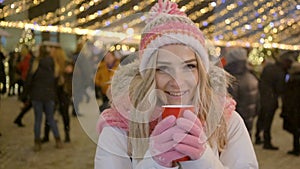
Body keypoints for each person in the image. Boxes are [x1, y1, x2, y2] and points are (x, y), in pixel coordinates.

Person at [94, 0, 258, 168]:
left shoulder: (225, 120)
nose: (178, 82)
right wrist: (154, 162)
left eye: (189, 66)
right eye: (163, 68)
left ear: (201, 71)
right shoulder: (121, 125)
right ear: (148, 74)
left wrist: (204, 161)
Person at [27, 43, 62, 151]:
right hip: (49, 95)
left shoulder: (35, 63)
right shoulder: (53, 64)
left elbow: (29, 81)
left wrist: (25, 96)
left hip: (37, 95)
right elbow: (56, 83)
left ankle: (37, 143)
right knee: (50, 118)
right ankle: (58, 140)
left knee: (38, 120)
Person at [255, 51, 294, 150]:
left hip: (263, 97)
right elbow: (280, 89)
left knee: (262, 117)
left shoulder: (269, 68)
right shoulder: (280, 73)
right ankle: (267, 141)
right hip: (271, 99)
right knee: (268, 120)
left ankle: (257, 136)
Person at [224, 47, 259, 137]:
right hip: (248, 121)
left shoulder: (231, 81)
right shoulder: (252, 77)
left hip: (233, 124)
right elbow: (258, 103)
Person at [281, 62, 300, 156]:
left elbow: (288, 97)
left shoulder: (291, 81)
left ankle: (296, 148)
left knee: (295, 130)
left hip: (293, 109)